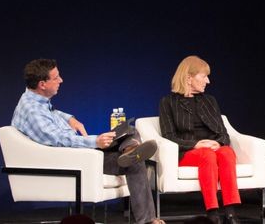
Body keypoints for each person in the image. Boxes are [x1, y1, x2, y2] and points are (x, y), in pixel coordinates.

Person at [11, 59, 163, 224]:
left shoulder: (32, 99)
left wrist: (70, 119)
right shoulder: (33, 112)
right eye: (56, 78)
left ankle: (130, 150)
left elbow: (52, 112)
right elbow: (59, 139)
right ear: (42, 84)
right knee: (135, 161)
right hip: (73, 160)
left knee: (128, 129)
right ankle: (147, 218)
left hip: (78, 154)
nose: (61, 80)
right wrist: (94, 142)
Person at [159, 55, 242, 224]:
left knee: (227, 152)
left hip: (212, 149)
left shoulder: (210, 101)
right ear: (189, 78)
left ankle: (231, 212)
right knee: (207, 155)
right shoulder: (168, 102)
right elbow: (168, 137)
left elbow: (224, 133)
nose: (208, 81)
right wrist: (196, 144)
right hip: (187, 152)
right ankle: (213, 213)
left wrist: (218, 143)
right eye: (204, 76)